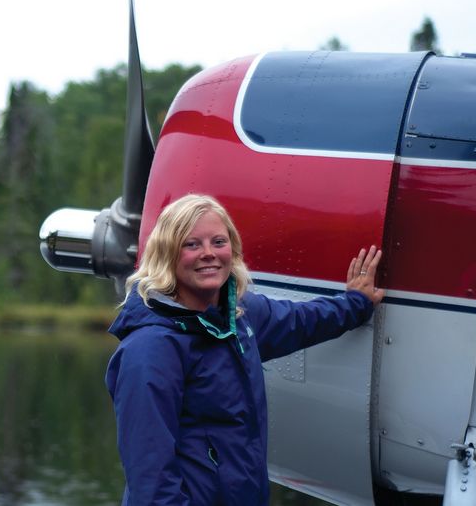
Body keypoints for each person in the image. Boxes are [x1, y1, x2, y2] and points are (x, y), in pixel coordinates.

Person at [105, 194, 384, 506]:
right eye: (191, 244)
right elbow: (150, 479)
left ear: (232, 250)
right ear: (167, 255)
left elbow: (300, 321)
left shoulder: (239, 315)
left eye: (219, 242)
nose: (209, 253)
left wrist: (356, 303)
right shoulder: (150, 349)